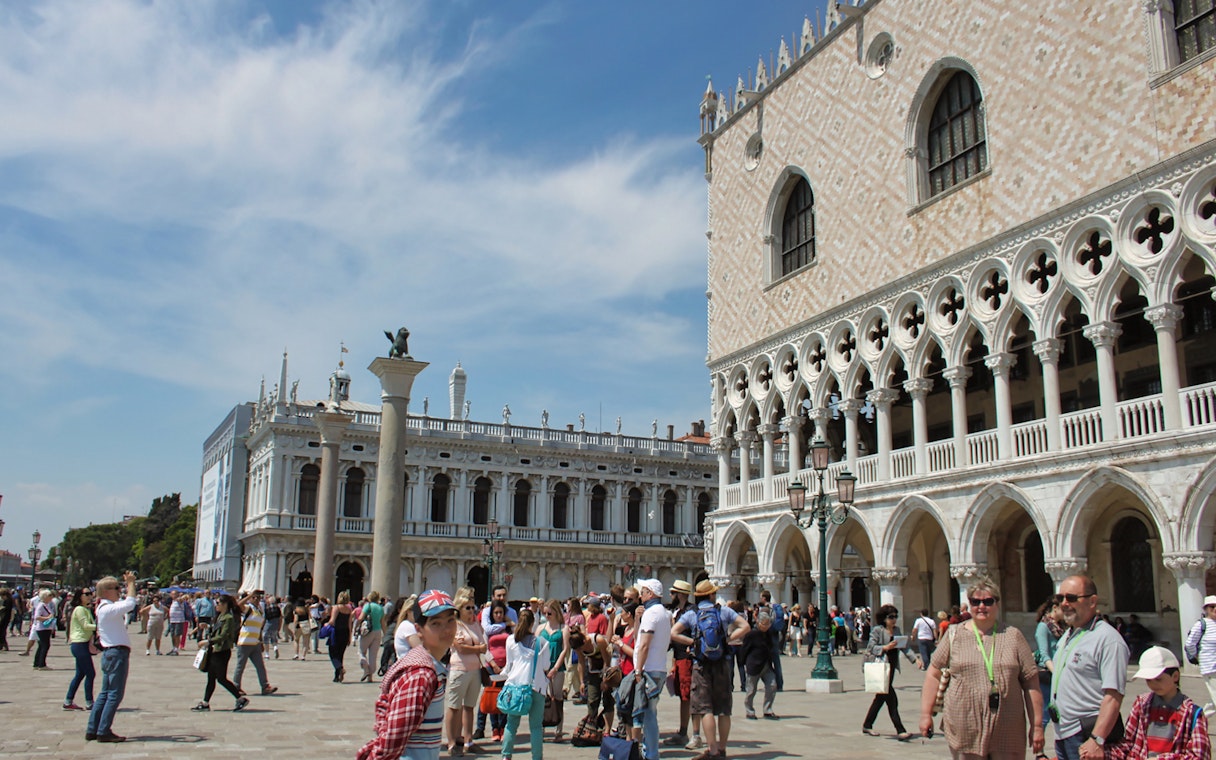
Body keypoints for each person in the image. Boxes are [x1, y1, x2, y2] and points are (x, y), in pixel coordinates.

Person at [917, 579, 1043, 759]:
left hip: (1007, 726)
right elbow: (933, 674)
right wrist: (925, 714)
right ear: (970, 604)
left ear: (997, 604)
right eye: (976, 602)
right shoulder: (955, 634)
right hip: (965, 725)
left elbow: (1031, 682)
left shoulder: (1013, 636)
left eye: (988, 601)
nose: (981, 606)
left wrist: (1037, 726)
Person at [357, 589, 458, 760]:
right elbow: (394, 736)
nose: (446, 629)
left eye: (450, 620)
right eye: (436, 623)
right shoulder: (422, 675)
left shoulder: (429, 666)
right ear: (419, 629)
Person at [1047, 575, 1129, 760]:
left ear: (1092, 601)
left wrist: (1097, 739)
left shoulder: (1107, 639)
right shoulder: (1068, 634)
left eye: (1072, 598)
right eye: (1060, 599)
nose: (1065, 604)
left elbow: (1114, 695)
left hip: (1085, 734)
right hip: (1063, 733)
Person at [671, 578, 751, 760]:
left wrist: (694, 643)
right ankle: (722, 749)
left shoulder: (692, 614)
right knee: (723, 709)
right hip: (723, 663)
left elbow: (673, 633)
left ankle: (712, 750)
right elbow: (745, 626)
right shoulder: (723, 611)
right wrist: (728, 639)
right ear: (712, 594)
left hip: (701, 664)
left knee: (705, 708)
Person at [1107, 646, 1211, 760]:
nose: (1153, 685)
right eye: (1149, 680)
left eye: (1158, 679)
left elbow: (1200, 756)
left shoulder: (1192, 713)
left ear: (1175, 676)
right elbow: (1128, 744)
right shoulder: (1141, 705)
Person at [86, 571, 139, 743]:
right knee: (114, 694)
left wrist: (128, 584)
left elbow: (126, 602)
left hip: (111, 653)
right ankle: (103, 730)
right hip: (116, 653)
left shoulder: (103, 608)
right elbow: (130, 603)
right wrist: (131, 583)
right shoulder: (107, 609)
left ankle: (93, 728)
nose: (119, 591)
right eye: (116, 588)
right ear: (107, 590)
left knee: (105, 693)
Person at [500, 608, 551, 760]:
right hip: (536, 687)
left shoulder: (510, 640)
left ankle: (506, 755)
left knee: (511, 724)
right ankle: (536, 757)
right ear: (533, 623)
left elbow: (509, 665)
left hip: (515, 686)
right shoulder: (542, 643)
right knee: (535, 727)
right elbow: (546, 666)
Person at [862, 604, 916, 741]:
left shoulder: (896, 630)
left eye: (895, 616)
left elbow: (904, 647)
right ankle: (900, 730)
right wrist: (885, 647)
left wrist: (916, 660)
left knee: (880, 698)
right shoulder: (877, 630)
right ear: (884, 618)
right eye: (891, 617)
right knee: (891, 699)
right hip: (880, 667)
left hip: (890, 667)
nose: (894, 619)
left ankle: (867, 725)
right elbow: (871, 647)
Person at [632, 579, 673, 760]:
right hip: (659, 668)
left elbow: (644, 645)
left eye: (643, 591)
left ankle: (651, 755)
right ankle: (650, 752)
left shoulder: (651, 613)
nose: (640, 594)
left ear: (650, 593)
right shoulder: (664, 613)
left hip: (649, 670)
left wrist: (638, 670)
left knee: (648, 715)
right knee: (650, 713)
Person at [192, 594, 249, 712]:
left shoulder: (228, 617)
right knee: (211, 677)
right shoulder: (220, 616)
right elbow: (217, 631)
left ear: (225, 605)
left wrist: (208, 641)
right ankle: (205, 702)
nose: (216, 605)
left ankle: (240, 698)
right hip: (215, 650)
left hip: (222, 651)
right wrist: (207, 626)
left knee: (221, 678)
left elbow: (224, 635)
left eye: (218, 603)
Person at [447, 591, 487, 755]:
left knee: (469, 706)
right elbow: (460, 648)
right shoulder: (455, 625)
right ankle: (451, 743)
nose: (472, 611)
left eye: (473, 607)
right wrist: (477, 648)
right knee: (454, 706)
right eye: (468, 608)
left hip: (475, 669)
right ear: (459, 609)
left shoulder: (475, 625)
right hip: (459, 669)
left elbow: (484, 643)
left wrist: (475, 648)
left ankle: (468, 740)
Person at [663, 578, 702, 751]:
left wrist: (691, 644)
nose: (670, 595)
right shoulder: (679, 611)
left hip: (688, 659)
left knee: (690, 696)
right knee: (683, 696)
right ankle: (683, 731)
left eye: (673, 592)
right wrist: (673, 662)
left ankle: (695, 734)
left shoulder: (691, 611)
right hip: (679, 658)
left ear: (680, 594)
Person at [538, 598, 570, 743]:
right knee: (543, 698)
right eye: (545, 613)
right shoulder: (541, 628)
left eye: (549, 613)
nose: (547, 616)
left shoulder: (564, 628)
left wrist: (556, 668)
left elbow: (565, 649)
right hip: (542, 667)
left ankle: (558, 729)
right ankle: (542, 727)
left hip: (557, 667)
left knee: (557, 698)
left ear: (556, 612)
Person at [233, 591, 277, 696]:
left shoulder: (260, 610)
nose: (257, 599)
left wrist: (260, 641)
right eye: (254, 598)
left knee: (260, 666)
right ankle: (236, 687)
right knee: (240, 666)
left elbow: (259, 628)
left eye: (258, 598)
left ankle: (265, 686)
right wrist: (249, 595)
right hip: (244, 642)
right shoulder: (248, 608)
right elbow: (238, 605)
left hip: (255, 642)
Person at [740, 607, 778, 720]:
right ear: (758, 622)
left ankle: (768, 709)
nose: (766, 626)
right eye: (764, 624)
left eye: (768, 624)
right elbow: (744, 650)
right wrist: (743, 664)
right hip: (754, 666)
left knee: (772, 685)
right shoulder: (751, 634)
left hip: (766, 665)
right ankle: (749, 711)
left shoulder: (769, 634)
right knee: (751, 690)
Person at [63, 587, 97, 711]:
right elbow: (86, 625)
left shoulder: (86, 609)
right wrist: (100, 626)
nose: (89, 596)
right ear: (79, 596)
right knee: (91, 673)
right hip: (79, 643)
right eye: (86, 594)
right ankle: (89, 702)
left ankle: (68, 701)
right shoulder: (79, 609)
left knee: (80, 674)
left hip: (82, 644)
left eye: (90, 594)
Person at [1034, 596, 1065, 729]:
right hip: (1047, 673)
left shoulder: (1061, 627)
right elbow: (1044, 654)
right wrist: (1057, 673)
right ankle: (1038, 746)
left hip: (1060, 671)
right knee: (1045, 711)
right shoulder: (1043, 627)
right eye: (1063, 609)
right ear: (1055, 608)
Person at [1184, 594, 1216, 718]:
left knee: (1214, 701)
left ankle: (1197, 720)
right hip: (1210, 667)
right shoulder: (1202, 624)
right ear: (1206, 609)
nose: (1214, 609)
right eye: (1212, 607)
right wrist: (1197, 657)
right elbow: (1190, 643)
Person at [359, 591, 386, 682]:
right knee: (373, 655)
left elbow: (361, 618)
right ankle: (370, 676)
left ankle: (366, 668)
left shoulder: (368, 606)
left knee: (361, 652)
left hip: (368, 631)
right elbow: (383, 623)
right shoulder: (380, 608)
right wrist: (385, 634)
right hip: (378, 632)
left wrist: (355, 627)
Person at [328, 590, 355, 683]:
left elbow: (332, 620)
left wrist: (325, 625)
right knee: (340, 654)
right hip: (345, 632)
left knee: (332, 653)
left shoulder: (336, 608)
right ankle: (337, 676)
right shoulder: (349, 609)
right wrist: (350, 636)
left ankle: (340, 668)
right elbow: (349, 624)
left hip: (336, 632)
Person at [31, 588, 57, 670]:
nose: (51, 597)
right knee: (45, 645)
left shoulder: (46, 605)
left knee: (41, 645)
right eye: (49, 596)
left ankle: (37, 663)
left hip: (46, 628)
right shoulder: (41, 605)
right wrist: (47, 618)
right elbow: (37, 617)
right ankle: (42, 664)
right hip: (42, 628)